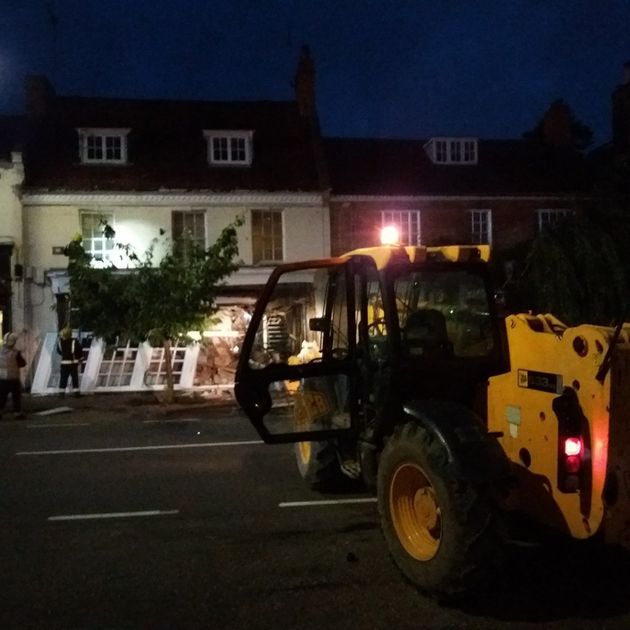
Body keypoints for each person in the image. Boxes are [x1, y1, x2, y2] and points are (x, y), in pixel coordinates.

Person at [0, 332, 27, 420]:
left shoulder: (0, 352)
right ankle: (17, 413)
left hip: (2, 378)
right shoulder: (16, 353)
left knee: (2, 396)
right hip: (13, 378)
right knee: (16, 396)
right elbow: (23, 363)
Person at [56, 327, 83, 397]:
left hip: (64, 362)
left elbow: (59, 351)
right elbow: (79, 350)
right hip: (73, 362)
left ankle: (61, 393)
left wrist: (64, 355)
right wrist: (80, 358)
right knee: (74, 378)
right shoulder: (74, 341)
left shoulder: (60, 342)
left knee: (63, 378)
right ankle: (76, 393)